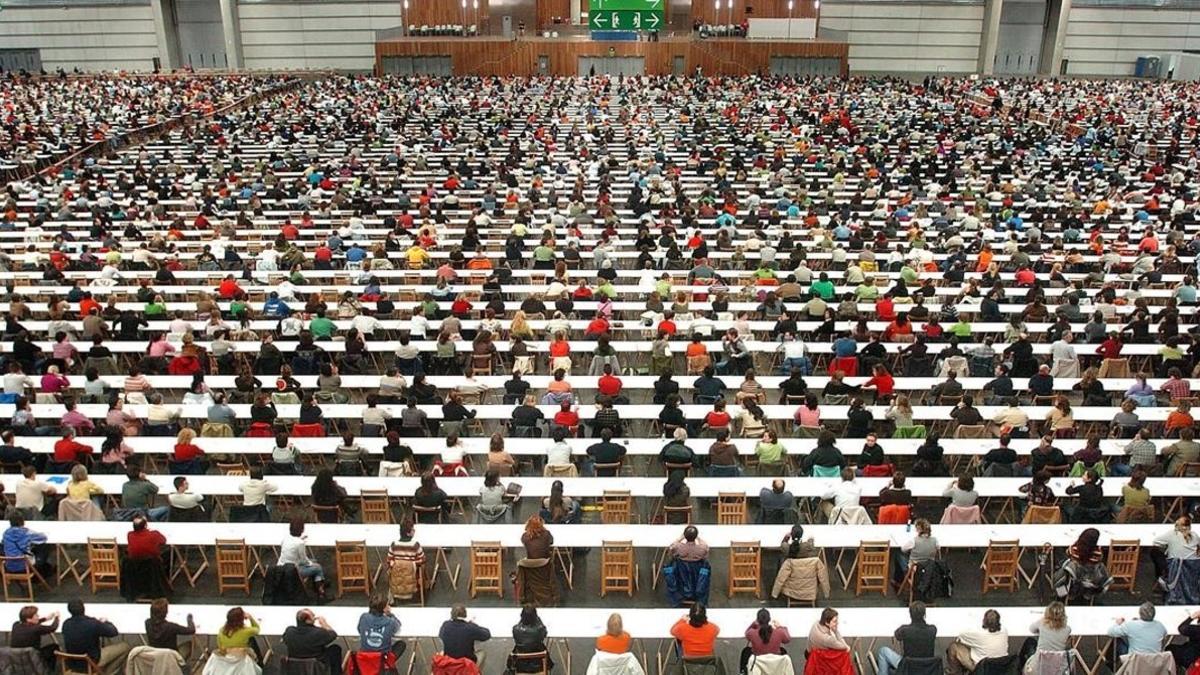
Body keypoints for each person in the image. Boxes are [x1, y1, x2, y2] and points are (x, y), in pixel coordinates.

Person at [62, 598, 130, 674]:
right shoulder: (92, 623)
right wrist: (106, 622)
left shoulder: (65, 624)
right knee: (125, 646)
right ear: (84, 608)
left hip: (73, 663)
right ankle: (107, 672)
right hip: (91, 660)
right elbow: (114, 632)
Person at [876, 602, 937, 675]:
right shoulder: (933, 629)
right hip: (927, 666)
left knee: (883, 651)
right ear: (924, 614)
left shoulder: (905, 630)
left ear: (910, 615)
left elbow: (897, 635)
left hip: (908, 666)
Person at [946, 609, 1008, 675]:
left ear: (984, 621)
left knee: (954, 647)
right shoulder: (1004, 631)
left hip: (982, 669)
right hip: (1001, 666)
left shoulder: (978, 634)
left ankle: (955, 672)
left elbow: (961, 636)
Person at [279, 518, 327, 598]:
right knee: (318, 568)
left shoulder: (285, 539)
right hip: (294, 570)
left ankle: (318, 583)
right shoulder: (300, 543)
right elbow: (304, 560)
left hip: (282, 567)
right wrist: (311, 564)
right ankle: (320, 590)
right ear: (301, 530)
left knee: (314, 561)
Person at [285, 609, 342, 675]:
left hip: (295, 662)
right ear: (308, 620)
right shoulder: (318, 632)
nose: (315, 617)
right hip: (316, 662)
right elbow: (333, 634)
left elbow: (285, 639)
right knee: (335, 649)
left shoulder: (290, 631)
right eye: (313, 616)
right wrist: (324, 623)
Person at [356, 594, 406, 663]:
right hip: (383, 660)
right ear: (384, 609)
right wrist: (390, 614)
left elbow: (359, 630)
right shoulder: (390, 622)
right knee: (401, 644)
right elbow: (398, 625)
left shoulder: (363, 617)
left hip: (365, 658)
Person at [740, 608, 790, 673]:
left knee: (745, 651)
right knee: (783, 650)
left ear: (757, 620)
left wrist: (753, 624)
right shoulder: (779, 632)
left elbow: (746, 634)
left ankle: (743, 672)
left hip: (757, 662)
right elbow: (787, 639)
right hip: (775, 662)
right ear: (769, 619)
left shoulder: (752, 633)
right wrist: (780, 626)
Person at [2, 512, 50, 577]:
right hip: (24, 566)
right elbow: (44, 537)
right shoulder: (26, 533)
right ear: (23, 522)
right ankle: (42, 569)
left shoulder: (5, 533)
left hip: (9, 566)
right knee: (44, 546)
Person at [510, 605, 552, 673]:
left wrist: (522, 620)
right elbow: (545, 633)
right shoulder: (539, 629)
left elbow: (517, 632)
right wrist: (539, 621)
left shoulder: (515, 629)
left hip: (520, 664)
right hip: (539, 664)